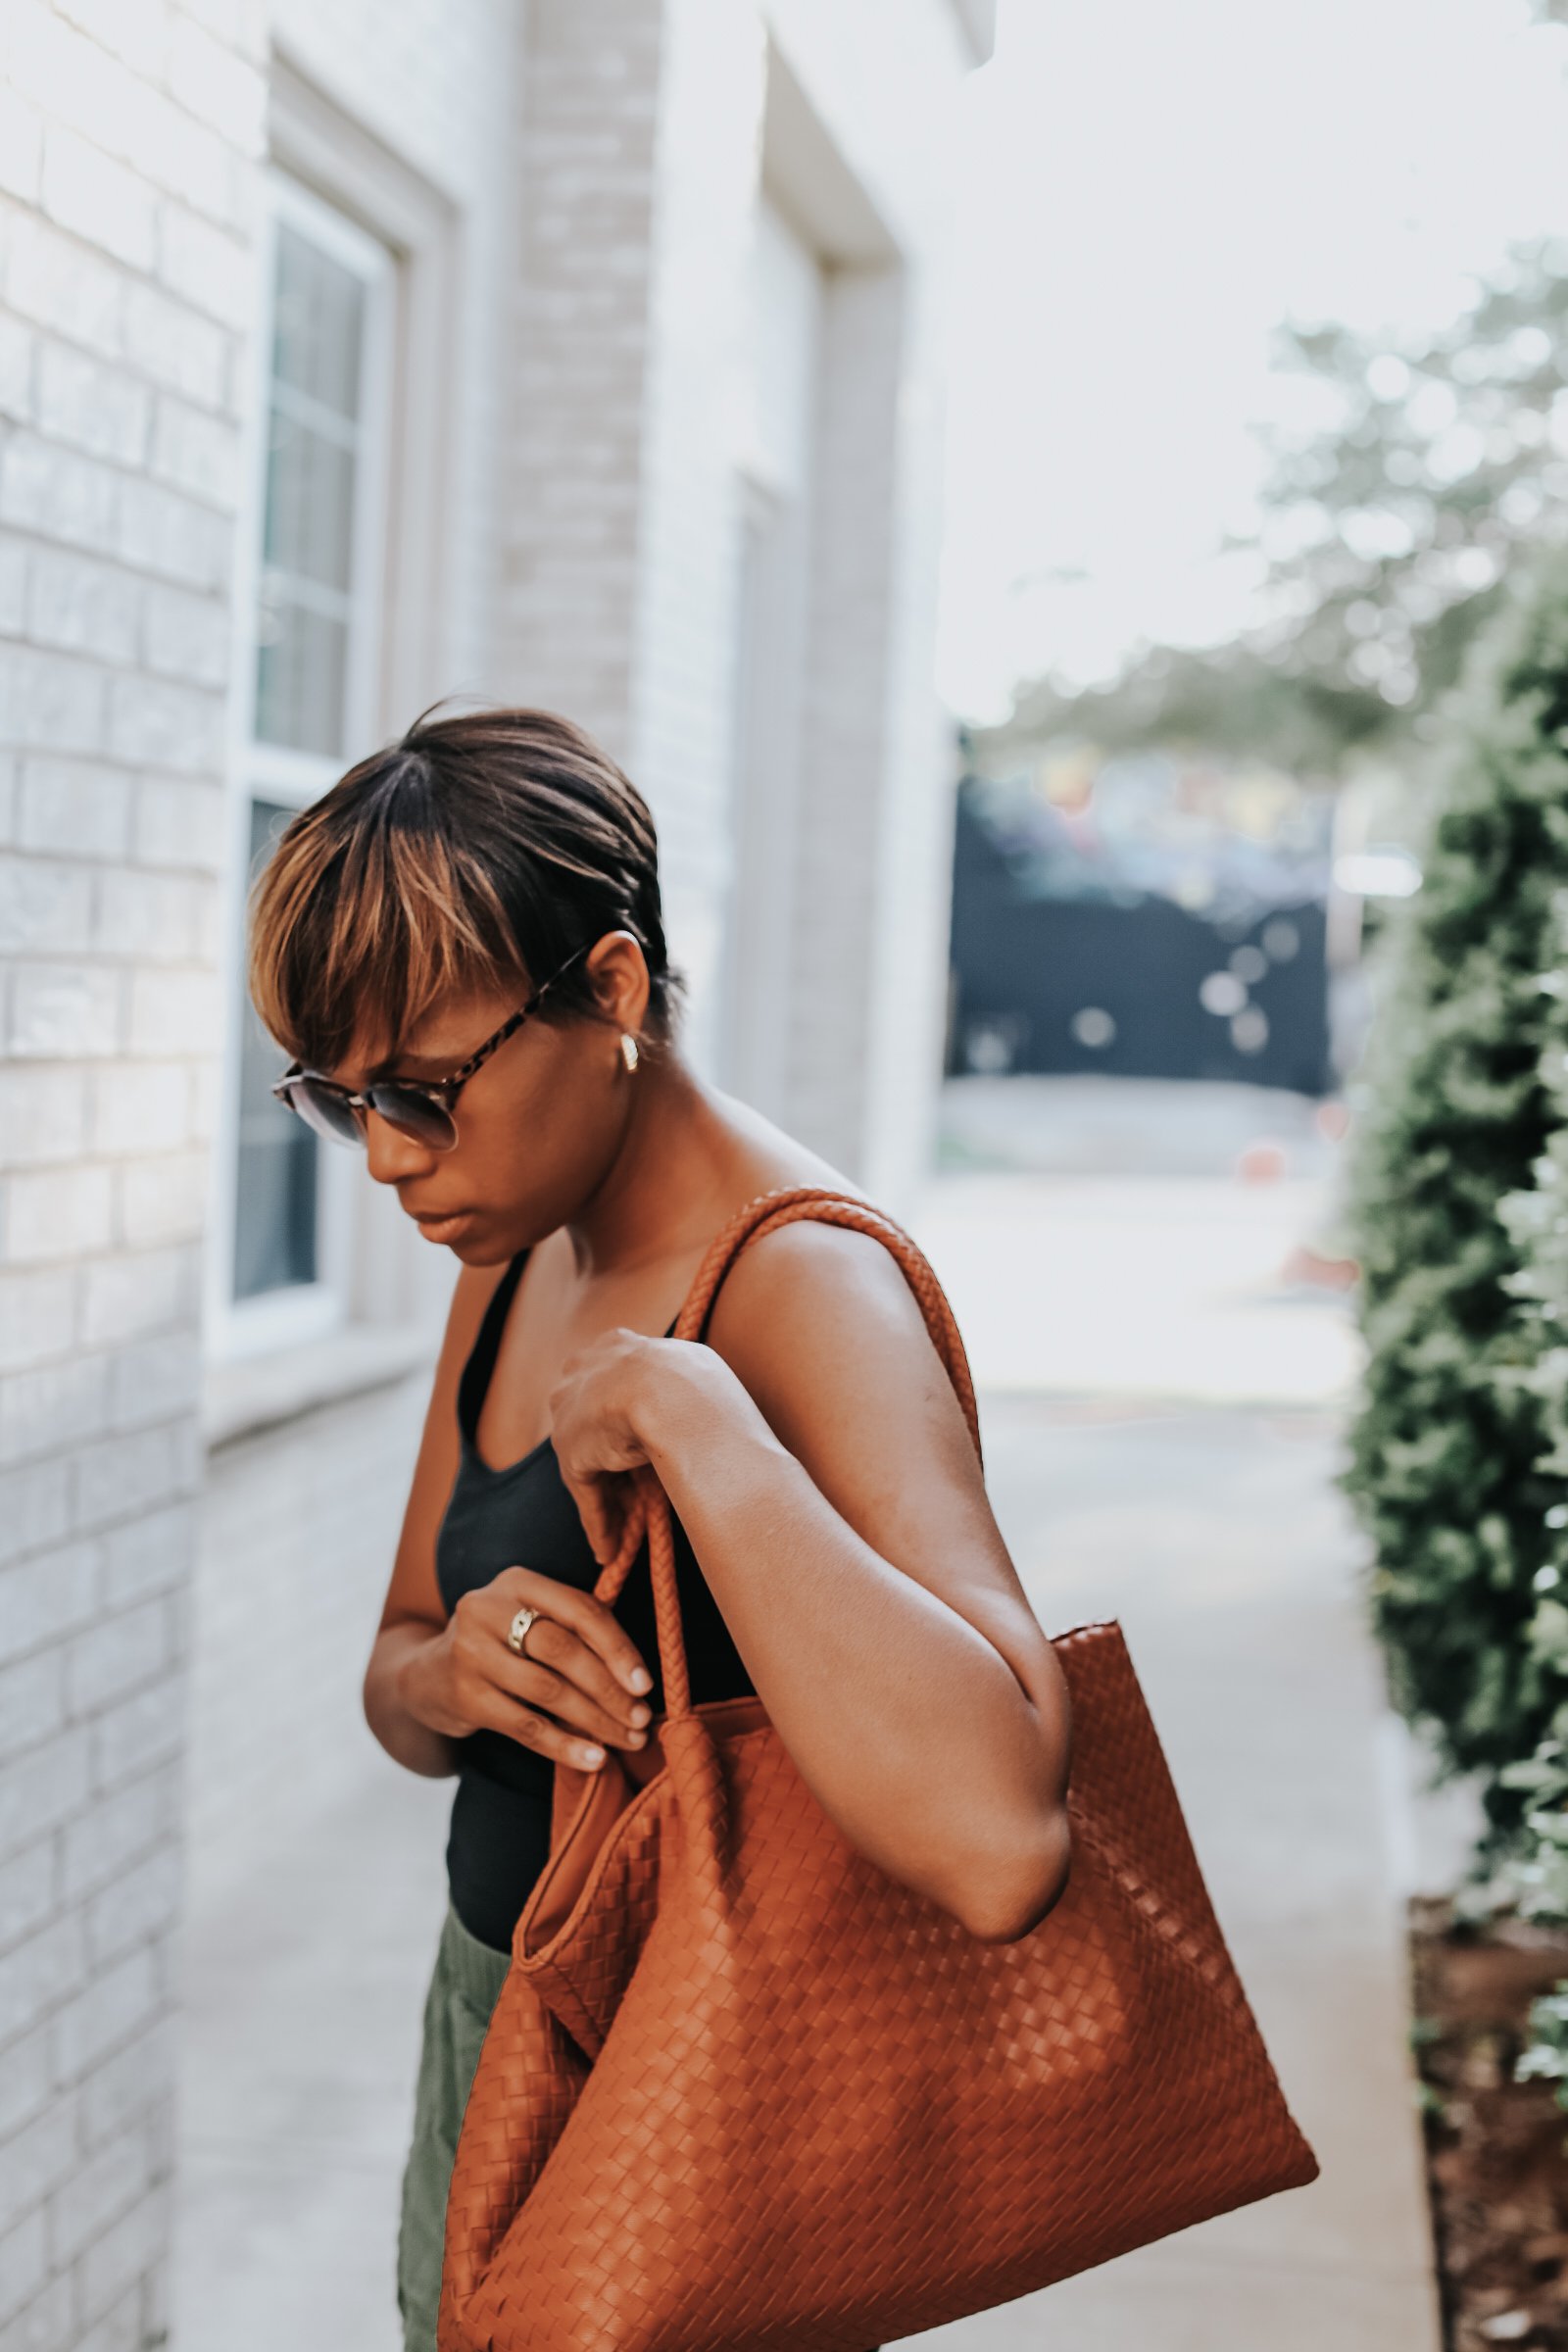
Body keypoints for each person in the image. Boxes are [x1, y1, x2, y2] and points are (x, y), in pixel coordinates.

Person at [244, 701, 1075, 2352]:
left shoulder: (802, 1284)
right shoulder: (509, 1246)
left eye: (422, 1089)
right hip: (492, 2029)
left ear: (610, 991)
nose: (391, 1163)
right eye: (342, 1106)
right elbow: (397, 1672)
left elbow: (1002, 1837)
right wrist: (453, 1678)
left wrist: (699, 1420)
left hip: (709, 2094)